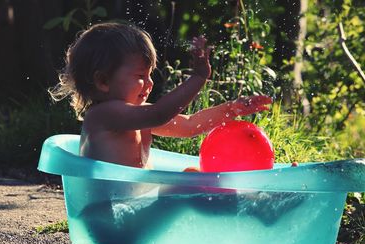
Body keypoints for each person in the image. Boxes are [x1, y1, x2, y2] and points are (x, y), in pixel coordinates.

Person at [49, 22, 272, 172]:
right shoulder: (104, 115)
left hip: (131, 207)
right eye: (140, 76)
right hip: (108, 212)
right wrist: (199, 76)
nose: (150, 83)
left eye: (149, 75)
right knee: (196, 183)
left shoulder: (136, 115)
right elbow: (160, 113)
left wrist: (231, 109)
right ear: (103, 81)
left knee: (193, 176)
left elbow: (189, 126)